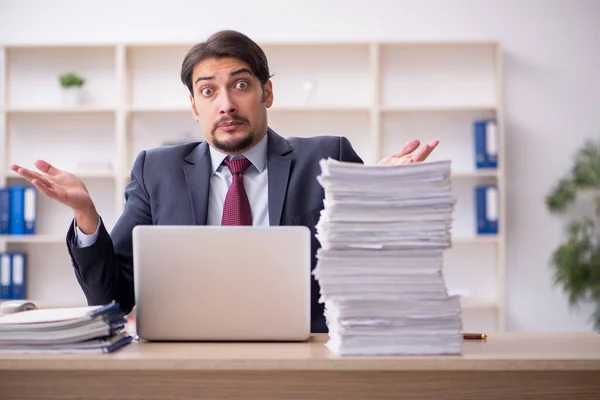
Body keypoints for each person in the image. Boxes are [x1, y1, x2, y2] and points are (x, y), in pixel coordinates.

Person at [10, 30, 439, 333]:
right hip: (188, 355)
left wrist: (380, 197)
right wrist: (86, 216)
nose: (227, 104)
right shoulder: (155, 170)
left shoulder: (328, 157)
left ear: (266, 93)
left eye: (240, 85)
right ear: (194, 106)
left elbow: (372, 268)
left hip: (308, 346)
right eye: (209, 91)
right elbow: (113, 299)